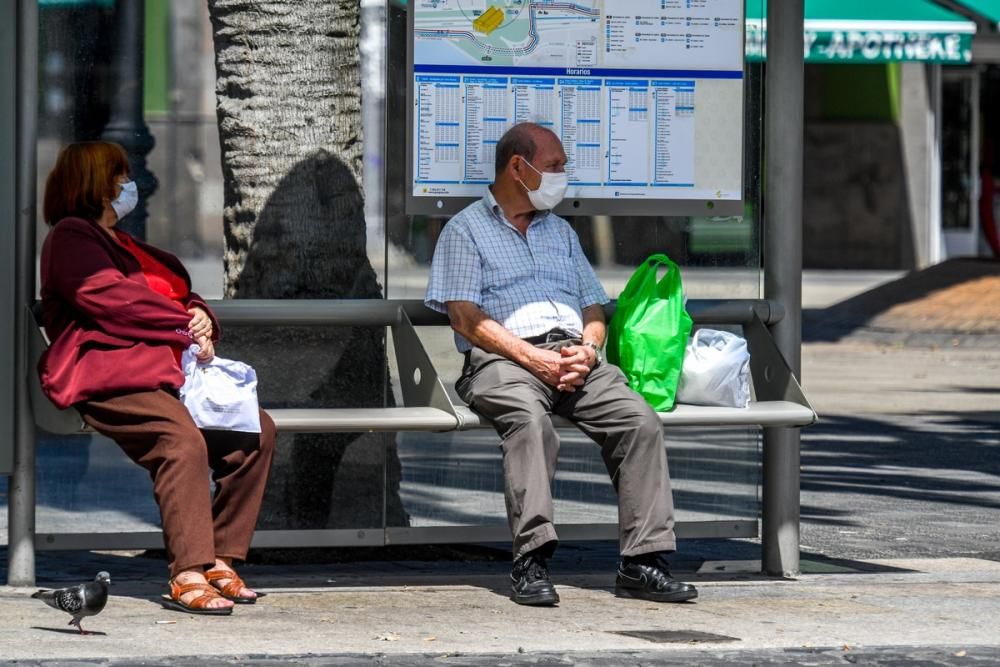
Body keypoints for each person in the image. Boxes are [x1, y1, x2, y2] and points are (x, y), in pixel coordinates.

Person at [425, 122, 697, 606]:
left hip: (573, 357)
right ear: (517, 167)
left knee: (640, 422)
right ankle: (531, 561)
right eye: (554, 166)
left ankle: (643, 562)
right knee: (530, 424)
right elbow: (465, 318)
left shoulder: (561, 234)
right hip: (503, 360)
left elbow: (593, 307)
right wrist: (535, 359)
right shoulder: (465, 230)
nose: (563, 176)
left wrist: (588, 349)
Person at [38, 141, 276, 615]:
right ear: (96, 184)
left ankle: (220, 561)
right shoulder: (71, 236)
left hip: (165, 373)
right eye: (120, 175)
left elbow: (178, 293)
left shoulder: (124, 243)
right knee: (179, 441)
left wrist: (201, 316)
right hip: (111, 374)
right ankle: (187, 573)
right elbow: (108, 298)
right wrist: (182, 321)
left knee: (256, 433)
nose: (130, 184)